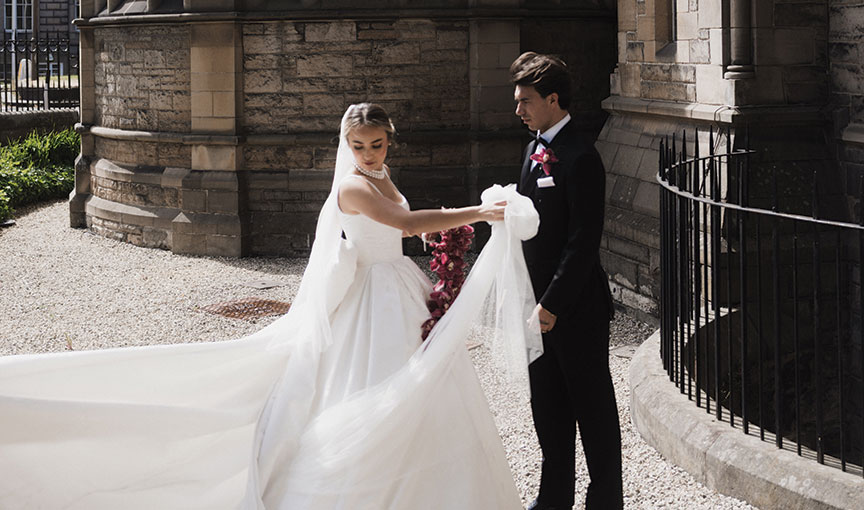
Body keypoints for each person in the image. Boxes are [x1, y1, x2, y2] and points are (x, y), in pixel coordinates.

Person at [0, 103, 543, 509]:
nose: (369, 154)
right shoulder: (352, 188)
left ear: (388, 142)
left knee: (431, 389)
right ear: (346, 144)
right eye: (359, 145)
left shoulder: (379, 175)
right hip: (372, 299)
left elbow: (401, 220)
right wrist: (478, 211)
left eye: (377, 144)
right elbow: (402, 224)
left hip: (399, 285)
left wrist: (459, 220)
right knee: (370, 388)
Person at [511, 52, 623, 510]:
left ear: (552, 99)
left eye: (526, 101)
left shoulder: (582, 157)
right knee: (549, 409)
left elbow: (582, 243)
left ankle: (605, 502)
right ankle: (553, 500)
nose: (518, 110)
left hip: (575, 310)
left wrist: (552, 305)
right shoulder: (533, 147)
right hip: (535, 307)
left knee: (592, 412)